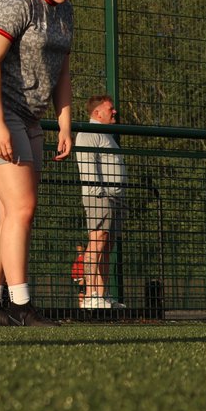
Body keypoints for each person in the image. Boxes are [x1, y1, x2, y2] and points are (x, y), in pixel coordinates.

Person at [0, 0, 96, 327]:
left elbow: (63, 74)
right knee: (23, 208)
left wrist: (66, 123)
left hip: (31, 117)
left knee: (11, 214)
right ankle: (21, 306)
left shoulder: (64, 12)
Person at [75, 95, 127, 309]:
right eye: (110, 109)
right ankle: (90, 295)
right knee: (97, 242)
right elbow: (87, 166)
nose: (114, 112)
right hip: (99, 196)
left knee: (107, 245)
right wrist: (99, 195)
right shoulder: (89, 133)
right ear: (97, 113)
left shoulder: (107, 134)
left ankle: (102, 296)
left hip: (114, 198)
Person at [71, 243, 86, 307]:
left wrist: (84, 277)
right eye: (77, 247)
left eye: (80, 247)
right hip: (76, 276)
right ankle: (81, 305)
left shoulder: (84, 257)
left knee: (81, 291)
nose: (78, 249)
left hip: (81, 276)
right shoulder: (78, 257)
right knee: (80, 292)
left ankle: (82, 306)